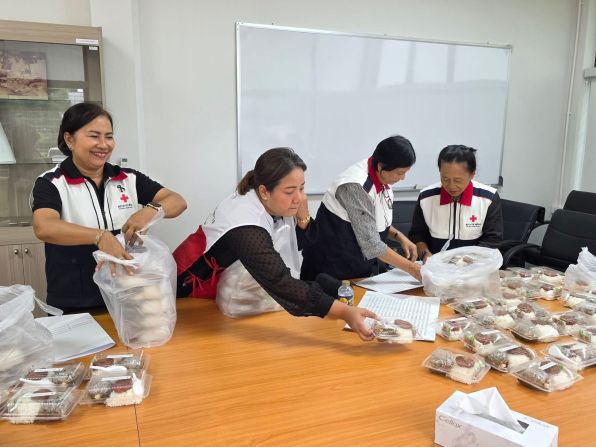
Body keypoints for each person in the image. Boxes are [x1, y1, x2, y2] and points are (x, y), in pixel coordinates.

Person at [174, 148, 377, 341]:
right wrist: (344, 312)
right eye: (290, 191)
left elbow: (293, 243)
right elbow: (279, 281)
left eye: (302, 188)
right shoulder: (245, 222)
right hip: (192, 292)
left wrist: (303, 216)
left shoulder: (273, 203)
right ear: (264, 191)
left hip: (229, 291)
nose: (299, 198)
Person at [32, 103, 187, 311]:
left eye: (109, 136)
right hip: (75, 301)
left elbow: (177, 201)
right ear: (69, 139)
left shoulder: (127, 178)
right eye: (94, 136)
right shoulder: (51, 183)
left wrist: (150, 210)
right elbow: (44, 226)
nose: (104, 145)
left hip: (130, 296)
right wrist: (100, 236)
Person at [300, 135, 422, 282]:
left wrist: (399, 236)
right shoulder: (354, 186)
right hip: (329, 270)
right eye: (400, 173)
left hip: (356, 269)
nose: (403, 178)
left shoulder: (381, 177)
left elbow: (371, 220)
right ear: (381, 166)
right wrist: (412, 269)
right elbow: (372, 245)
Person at [408, 145, 503, 262]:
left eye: (458, 180)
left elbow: (493, 239)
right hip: (436, 265)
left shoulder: (488, 198)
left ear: (472, 174)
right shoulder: (426, 197)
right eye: (445, 179)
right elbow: (417, 234)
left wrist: (469, 260)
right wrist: (425, 254)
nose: (451, 186)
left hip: (474, 265)